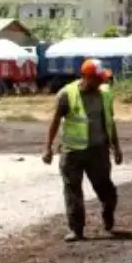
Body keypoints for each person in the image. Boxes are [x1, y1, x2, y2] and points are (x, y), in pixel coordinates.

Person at [42, 59, 123, 242]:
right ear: (86, 77)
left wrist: (116, 147)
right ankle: (76, 229)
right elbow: (54, 121)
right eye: (98, 78)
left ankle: (107, 213)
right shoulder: (67, 94)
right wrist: (47, 148)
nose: (102, 82)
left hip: (99, 152)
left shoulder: (105, 94)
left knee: (107, 191)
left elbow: (110, 122)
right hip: (73, 153)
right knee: (72, 191)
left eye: (103, 78)